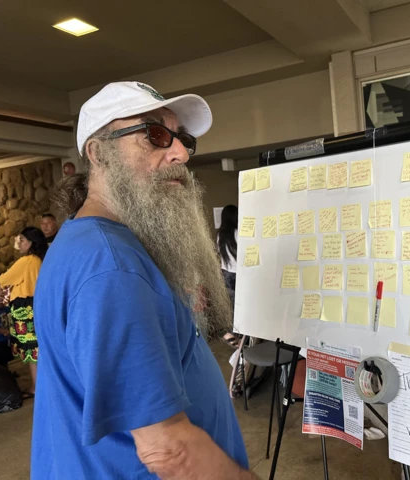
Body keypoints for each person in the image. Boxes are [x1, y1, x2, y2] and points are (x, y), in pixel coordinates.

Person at [32, 82, 251, 479]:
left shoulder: (93, 244)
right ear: (99, 154)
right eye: (154, 134)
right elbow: (169, 451)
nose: (181, 152)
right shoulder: (110, 267)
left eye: (182, 139)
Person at [0, 227, 48, 394]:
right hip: (37, 305)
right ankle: (42, 385)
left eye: (22, 240)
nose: (19, 244)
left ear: (31, 242)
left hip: (25, 310)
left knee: (32, 352)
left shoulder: (26, 261)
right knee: (38, 349)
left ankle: (36, 387)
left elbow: (4, 279)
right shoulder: (40, 259)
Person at [217, 205, 239, 347]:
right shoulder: (238, 233)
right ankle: (242, 337)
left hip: (226, 274)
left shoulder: (220, 234)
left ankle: (231, 333)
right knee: (243, 305)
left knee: (232, 305)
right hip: (239, 274)